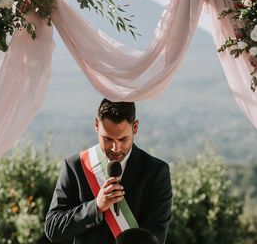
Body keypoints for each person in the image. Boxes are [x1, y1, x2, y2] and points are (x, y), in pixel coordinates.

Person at [44, 99, 172, 244]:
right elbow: (53, 228)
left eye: (123, 139)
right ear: (96, 125)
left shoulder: (156, 172)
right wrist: (96, 207)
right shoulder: (75, 166)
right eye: (108, 139)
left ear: (135, 127)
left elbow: (156, 236)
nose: (115, 148)